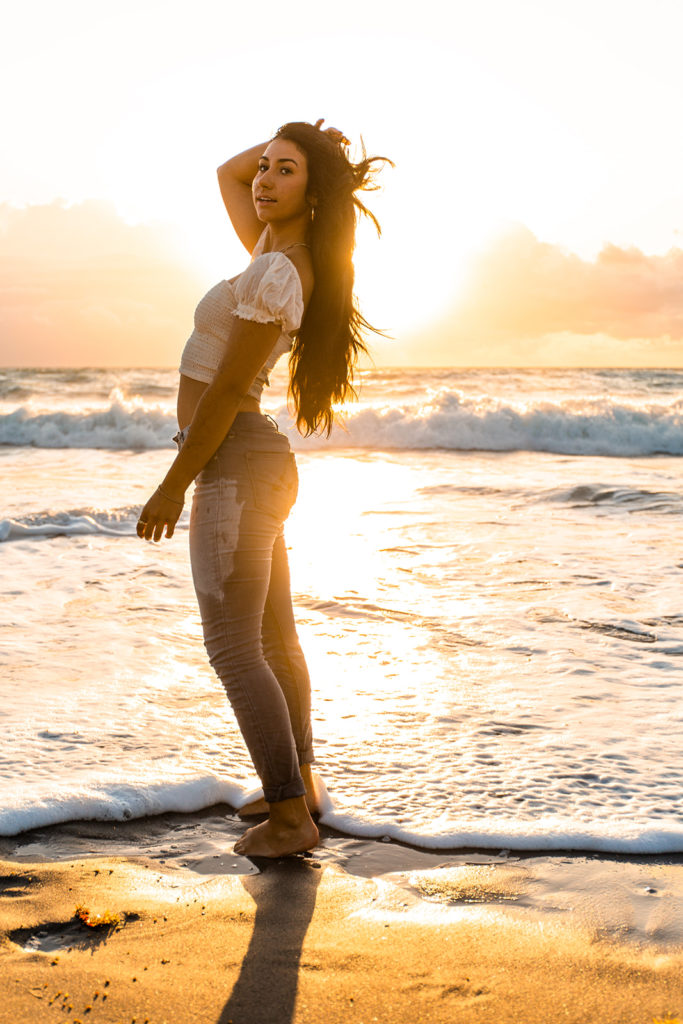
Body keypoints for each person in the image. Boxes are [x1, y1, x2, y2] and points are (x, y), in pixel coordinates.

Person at [136, 119, 391, 858]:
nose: (263, 180)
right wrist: (299, 139)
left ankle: (288, 817)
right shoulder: (269, 252)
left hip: (233, 463)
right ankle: (300, 785)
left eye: (284, 172)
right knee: (274, 638)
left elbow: (220, 395)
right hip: (255, 464)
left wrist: (173, 483)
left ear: (312, 196)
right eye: (267, 169)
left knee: (231, 647)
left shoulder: (280, 270)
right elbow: (227, 170)